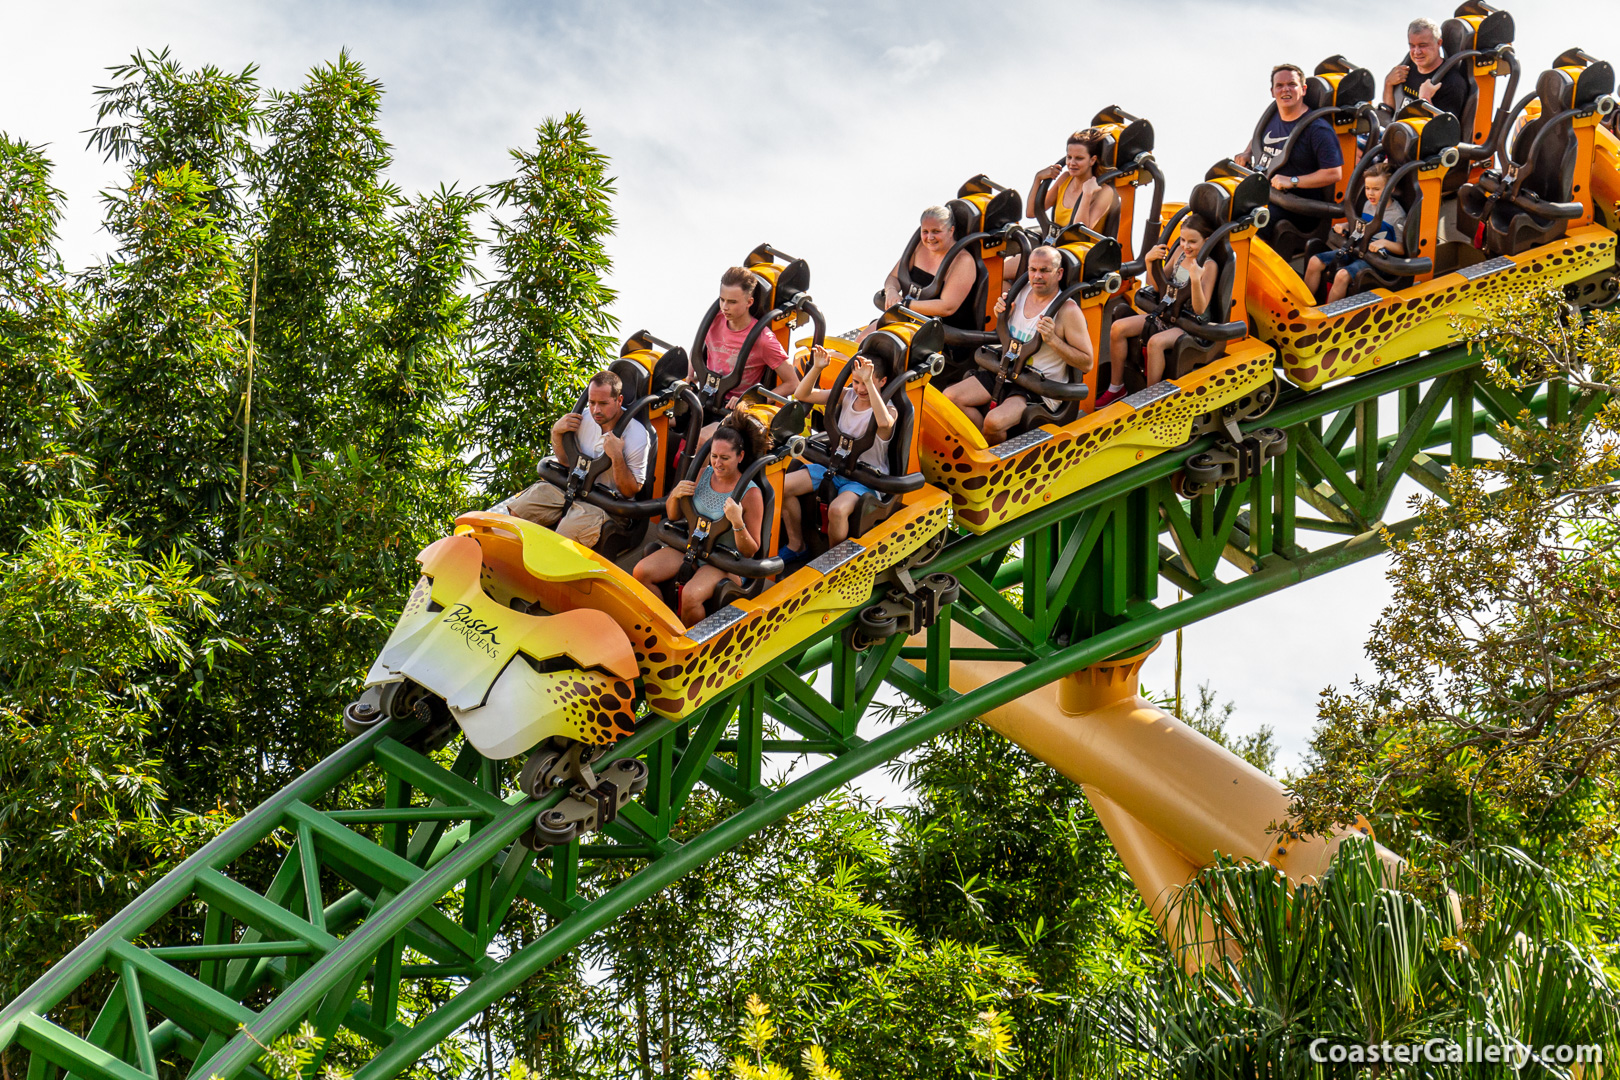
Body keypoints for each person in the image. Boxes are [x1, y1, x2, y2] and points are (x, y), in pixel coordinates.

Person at [943, 245, 1093, 445]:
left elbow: (1086, 363)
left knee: (994, 422)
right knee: (949, 398)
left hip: (1036, 386)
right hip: (1006, 372)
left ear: (1059, 274)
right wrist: (1003, 316)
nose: (1037, 276)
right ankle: (981, 446)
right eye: (1033, 270)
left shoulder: (1068, 311)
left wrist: (1053, 341)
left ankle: (991, 457)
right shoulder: (1020, 292)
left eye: (1045, 271)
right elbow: (1006, 332)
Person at [633, 420, 767, 628]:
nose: (717, 464)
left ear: (740, 457)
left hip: (723, 561)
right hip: (692, 548)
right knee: (641, 572)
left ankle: (693, 646)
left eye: (725, 458)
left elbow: (751, 550)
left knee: (691, 596)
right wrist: (674, 496)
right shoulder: (703, 474)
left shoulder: (751, 494)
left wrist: (737, 522)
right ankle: (666, 627)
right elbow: (674, 515)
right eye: (714, 456)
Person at [495, 371, 649, 547]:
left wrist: (617, 457)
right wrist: (557, 433)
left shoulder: (637, 435)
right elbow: (565, 462)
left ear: (619, 400)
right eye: (592, 403)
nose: (596, 410)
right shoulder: (584, 418)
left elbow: (630, 491)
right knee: (521, 510)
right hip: (572, 490)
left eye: (603, 403)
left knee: (563, 537)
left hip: (606, 505)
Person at [779, 347, 897, 557]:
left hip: (864, 479)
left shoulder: (888, 409)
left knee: (838, 510)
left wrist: (869, 383)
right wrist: (816, 368)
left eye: (866, 382)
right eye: (856, 382)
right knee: (782, 487)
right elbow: (802, 394)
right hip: (833, 468)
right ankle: (797, 545)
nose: (859, 389)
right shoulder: (848, 395)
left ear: (882, 381)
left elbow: (884, 423)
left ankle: (834, 561)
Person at [1097, 214, 1221, 406]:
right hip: (1169, 314)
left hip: (1191, 325)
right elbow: (1155, 285)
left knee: (1156, 343)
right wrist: (1149, 263)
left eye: (1192, 242)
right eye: (1183, 239)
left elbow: (1200, 308)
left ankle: (1150, 400)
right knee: (1118, 328)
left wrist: (1196, 279)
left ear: (1207, 241)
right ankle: (1116, 387)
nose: (1186, 246)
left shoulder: (1209, 266)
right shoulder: (1180, 252)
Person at [1235, 64, 1344, 242]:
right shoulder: (1272, 116)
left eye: (1292, 84)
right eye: (1280, 85)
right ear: (1272, 91)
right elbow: (1260, 136)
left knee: (1250, 222)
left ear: (1303, 89)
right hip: (1267, 195)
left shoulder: (1318, 130)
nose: (1285, 89)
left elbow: (1334, 173)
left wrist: (1293, 181)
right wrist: (1248, 153)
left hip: (1298, 208)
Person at [698, 266, 800, 416]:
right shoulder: (713, 319)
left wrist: (750, 401)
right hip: (704, 396)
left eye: (732, 302)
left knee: (700, 439)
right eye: (722, 300)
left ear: (749, 302)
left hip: (732, 410)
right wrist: (690, 374)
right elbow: (700, 349)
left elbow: (792, 383)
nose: (725, 307)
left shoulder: (764, 340)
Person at [1304, 162, 1407, 303]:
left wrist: (1385, 243)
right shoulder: (1368, 205)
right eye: (1368, 188)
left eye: (1376, 189)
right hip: (1359, 251)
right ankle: (1306, 305)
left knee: (1342, 276)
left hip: (1377, 262)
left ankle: (1327, 317)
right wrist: (1346, 225)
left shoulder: (1397, 216)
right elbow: (1362, 227)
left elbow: (1402, 249)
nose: (1370, 193)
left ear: (1391, 189)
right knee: (1315, 261)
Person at [881, 205, 980, 337]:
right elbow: (893, 277)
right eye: (925, 231)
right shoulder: (918, 247)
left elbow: (947, 307)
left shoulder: (963, 261)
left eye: (936, 231)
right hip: (908, 320)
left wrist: (905, 304)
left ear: (951, 231)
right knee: (862, 339)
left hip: (942, 334)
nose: (930, 237)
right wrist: (891, 292)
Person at [1028, 129, 1119, 240]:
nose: (1072, 163)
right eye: (1069, 157)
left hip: (1081, 251)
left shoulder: (1104, 191)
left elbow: (1080, 232)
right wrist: (1038, 178)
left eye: (1079, 158)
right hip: (1055, 247)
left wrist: (1087, 194)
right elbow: (1031, 212)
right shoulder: (1065, 179)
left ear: (1092, 160)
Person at [1382, 17, 1471, 119]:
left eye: (1422, 45)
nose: (1417, 52)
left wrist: (1425, 99)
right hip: (1397, 130)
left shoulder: (1452, 83)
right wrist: (1388, 83)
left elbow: (1445, 131)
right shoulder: (1407, 67)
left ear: (1439, 43)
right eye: (1412, 46)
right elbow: (1389, 114)